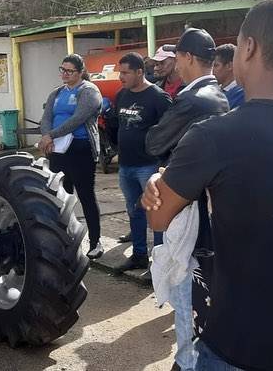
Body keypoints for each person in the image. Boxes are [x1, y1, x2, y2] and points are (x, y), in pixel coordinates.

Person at [142, 0, 273, 371]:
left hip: (240, 338)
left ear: (248, 47)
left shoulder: (213, 137)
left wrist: (156, 182)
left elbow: (158, 219)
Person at [146, 28, 229, 371]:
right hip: (208, 205)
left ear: (189, 58)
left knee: (185, 287)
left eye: (177, 58)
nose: (175, 65)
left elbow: (153, 141)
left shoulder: (193, 99)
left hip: (186, 205)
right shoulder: (219, 95)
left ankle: (186, 361)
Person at [39, 54, 105, 259]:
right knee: (60, 196)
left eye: (70, 71)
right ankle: (65, 240)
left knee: (85, 195)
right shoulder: (56, 93)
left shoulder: (89, 91)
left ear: (80, 72)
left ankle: (95, 242)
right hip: (58, 149)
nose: (65, 74)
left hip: (80, 148)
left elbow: (78, 119)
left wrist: (51, 135)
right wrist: (46, 136)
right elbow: (46, 117)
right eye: (62, 70)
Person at [113, 52, 172, 272]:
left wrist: (162, 162)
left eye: (126, 72)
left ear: (140, 72)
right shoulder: (122, 95)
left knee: (155, 214)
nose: (121, 77)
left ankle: (159, 264)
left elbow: (170, 131)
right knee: (134, 211)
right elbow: (114, 125)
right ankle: (139, 255)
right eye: (121, 72)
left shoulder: (157, 97)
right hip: (126, 165)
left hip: (148, 166)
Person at [212, 44, 245, 109]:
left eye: (216, 65)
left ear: (230, 66)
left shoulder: (242, 95)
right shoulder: (213, 90)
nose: (212, 70)